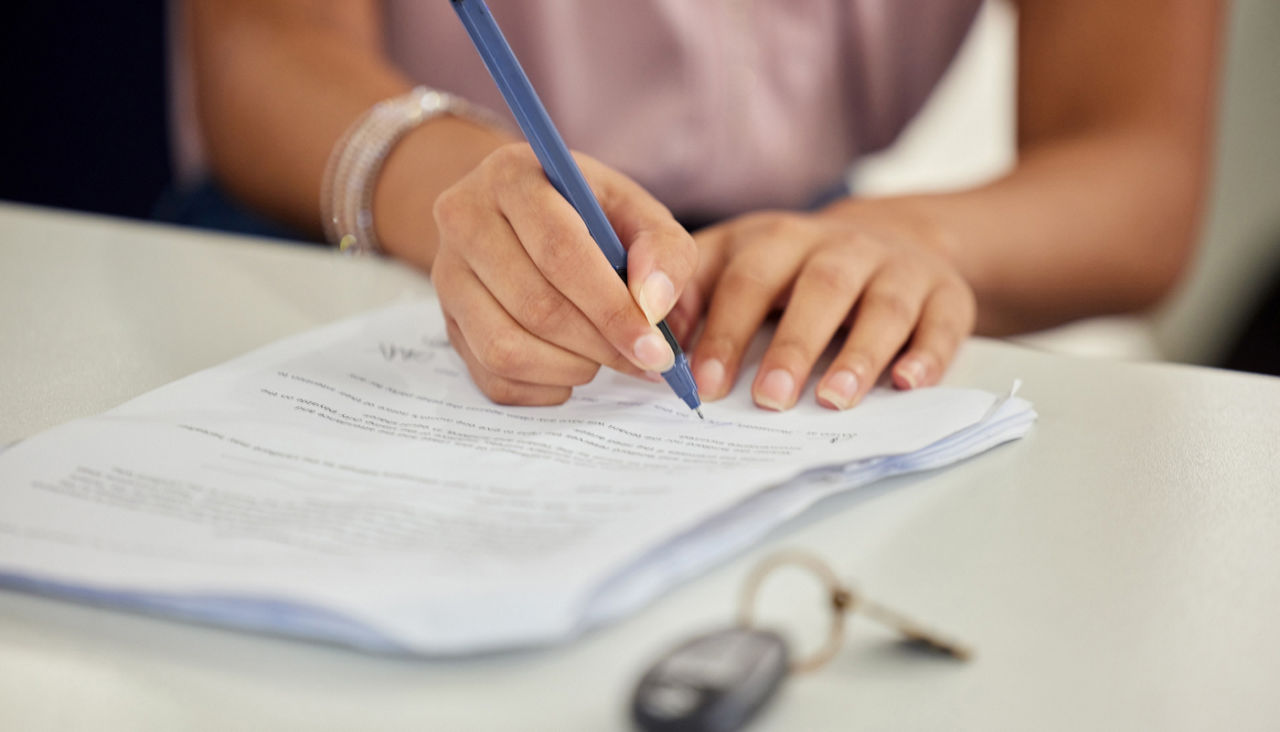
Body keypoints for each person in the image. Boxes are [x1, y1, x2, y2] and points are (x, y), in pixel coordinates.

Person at [181, 0, 1223, 411]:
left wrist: (891, 243)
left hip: (794, 264)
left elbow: (1133, 166)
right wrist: (436, 175)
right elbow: (258, 52)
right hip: (353, 238)